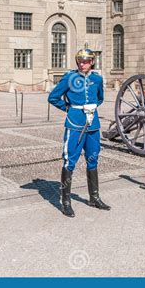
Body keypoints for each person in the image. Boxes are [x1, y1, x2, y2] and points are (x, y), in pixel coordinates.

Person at [48, 48, 111, 218]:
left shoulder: (97, 79)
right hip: (74, 124)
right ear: (77, 62)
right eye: (80, 61)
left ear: (92, 62)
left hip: (93, 125)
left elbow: (100, 98)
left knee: (93, 159)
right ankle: (66, 201)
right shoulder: (69, 78)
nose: (83, 64)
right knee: (70, 161)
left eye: (87, 61)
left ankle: (94, 197)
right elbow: (53, 97)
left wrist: (90, 108)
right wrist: (69, 108)